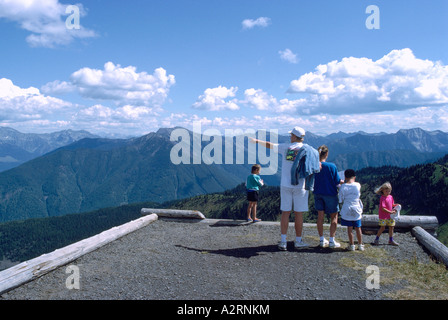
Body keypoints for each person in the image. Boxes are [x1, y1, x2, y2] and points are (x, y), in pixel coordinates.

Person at [251, 126, 317, 251]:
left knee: (285, 213)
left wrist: (257, 141)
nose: (290, 137)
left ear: (294, 136)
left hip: (286, 184)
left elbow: (270, 145)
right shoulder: (308, 149)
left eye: (291, 135)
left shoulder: (286, 147)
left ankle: (283, 241)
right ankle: (298, 241)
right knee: (299, 213)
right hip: (301, 185)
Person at [314, 145, 343, 248]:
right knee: (334, 217)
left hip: (318, 193)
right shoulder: (332, 166)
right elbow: (336, 181)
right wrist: (344, 182)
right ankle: (332, 240)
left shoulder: (315, 165)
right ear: (326, 154)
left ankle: (322, 239)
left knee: (320, 216)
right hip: (330, 194)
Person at [338, 169, 364, 251]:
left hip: (347, 208)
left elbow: (340, 200)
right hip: (356, 208)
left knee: (350, 228)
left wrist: (341, 184)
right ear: (354, 177)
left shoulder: (343, 187)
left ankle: (352, 245)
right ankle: (360, 245)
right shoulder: (357, 185)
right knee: (358, 228)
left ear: (345, 177)